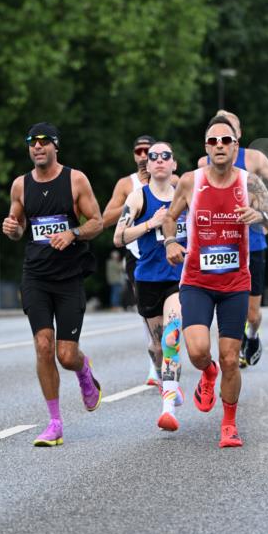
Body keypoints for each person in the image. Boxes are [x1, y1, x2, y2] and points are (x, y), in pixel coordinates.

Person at [164, 114, 268, 448]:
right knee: (198, 351)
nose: (219, 146)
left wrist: (259, 215)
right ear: (206, 147)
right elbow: (169, 218)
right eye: (213, 141)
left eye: (226, 141)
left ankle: (229, 424)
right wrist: (171, 242)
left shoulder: (250, 183)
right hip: (197, 281)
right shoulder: (191, 181)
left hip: (235, 283)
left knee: (232, 358)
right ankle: (208, 373)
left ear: (236, 146)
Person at [3, 122, 103, 446]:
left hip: (69, 278)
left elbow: (97, 222)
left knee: (66, 354)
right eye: (33, 142)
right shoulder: (20, 185)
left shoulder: (75, 180)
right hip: (36, 277)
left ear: (55, 147)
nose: (38, 147)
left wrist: (72, 232)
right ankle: (55, 423)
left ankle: (84, 372)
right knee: (43, 347)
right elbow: (19, 229)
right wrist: (12, 229)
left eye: (45, 142)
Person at [197, 110, 268, 368]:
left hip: (253, 243)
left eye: (230, 129)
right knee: (223, 304)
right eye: (218, 131)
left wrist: (260, 207)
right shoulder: (203, 164)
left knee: (252, 312)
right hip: (220, 243)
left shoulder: (254, 158)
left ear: (239, 134)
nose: (223, 137)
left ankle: (252, 334)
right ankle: (231, 353)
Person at [114, 140, 186, 431]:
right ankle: (164, 378)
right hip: (147, 278)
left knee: (171, 338)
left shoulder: (185, 195)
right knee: (157, 347)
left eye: (164, 156)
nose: (157, 160)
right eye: (153, 156)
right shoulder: (137, 197)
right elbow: (118, 237)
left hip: (178, 278)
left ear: (173, 164)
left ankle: (168, 408)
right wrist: (150, 223)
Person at [103, 134, 161, 385]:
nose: (143, 155)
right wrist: (134, 202)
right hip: (137, 254)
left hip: (167, 252)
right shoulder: (127, 185)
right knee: (146, 309)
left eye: (148, 150)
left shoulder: (172, 179)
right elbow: (105, 219)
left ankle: (167, 352)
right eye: (138, 151)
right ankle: (154, 360)